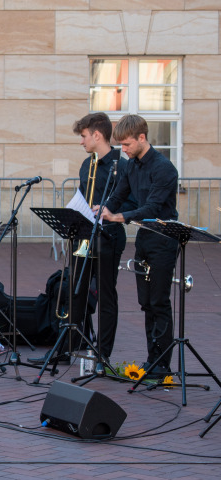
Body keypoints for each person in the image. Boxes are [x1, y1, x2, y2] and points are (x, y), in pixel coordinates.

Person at [31, 112, 132, 365]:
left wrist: (111, 212)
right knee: (75, 292)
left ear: (97, 135)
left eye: (84, 136)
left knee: (107, 294)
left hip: (109, 237)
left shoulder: (122, 165)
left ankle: (103, 352)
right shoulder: (87, 165)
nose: (81, 142)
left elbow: (132, 202)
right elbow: (83, 197)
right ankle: (67, 348)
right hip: (85, 236)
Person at [96, 114, 179, 378]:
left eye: (128, 144)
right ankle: (151, 360)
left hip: (164, 241)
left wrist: (116, 217)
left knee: (159, 302)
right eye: (121, 145)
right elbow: (119, 194)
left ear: (142, 138)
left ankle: (162, 365)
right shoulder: (131, 166)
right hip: (144, 238)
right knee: (146, 303)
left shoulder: (164, 168)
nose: (124, 150)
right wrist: (104, 209)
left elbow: (153, 208)